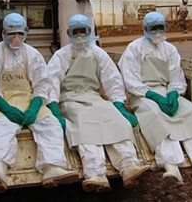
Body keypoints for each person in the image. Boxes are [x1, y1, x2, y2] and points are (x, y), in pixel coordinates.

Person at [118, 11, 192, 184]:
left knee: (191, 112)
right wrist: (154, 97)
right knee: (156, 116)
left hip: (165, 91)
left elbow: (176, 76)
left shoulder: (170, 49)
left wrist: (173, 93)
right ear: (145, 29)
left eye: (161, 28)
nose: (157, 32)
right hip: (143, 94)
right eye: (153, 28)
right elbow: (131, 81)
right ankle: (170, 165)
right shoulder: (134, 49)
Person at [47, 14, 150, 193]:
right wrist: (54, 108)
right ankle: (95, 173)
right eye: (75, 32)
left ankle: (128, 165)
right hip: (70, 99)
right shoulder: (61, 55)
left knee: (115, 120)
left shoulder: (98, 53)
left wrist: (118, 104)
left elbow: (112, 79)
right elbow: (52, 81)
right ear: (69, 33)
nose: (79, 36)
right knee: (84, 126)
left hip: (94, 97)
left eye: (83, 31)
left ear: (89, 31)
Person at [0, 13, 79, 193]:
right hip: (5, 102)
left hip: (29, 100)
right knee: (1, 128)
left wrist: (34, 107)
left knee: (51, 125)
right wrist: (5, 107)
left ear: (26, 32)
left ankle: (51, 168)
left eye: (20, 33)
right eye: (11, 34)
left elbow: (42, 83)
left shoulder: (32, 54)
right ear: (3, 34)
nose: (16, 38)